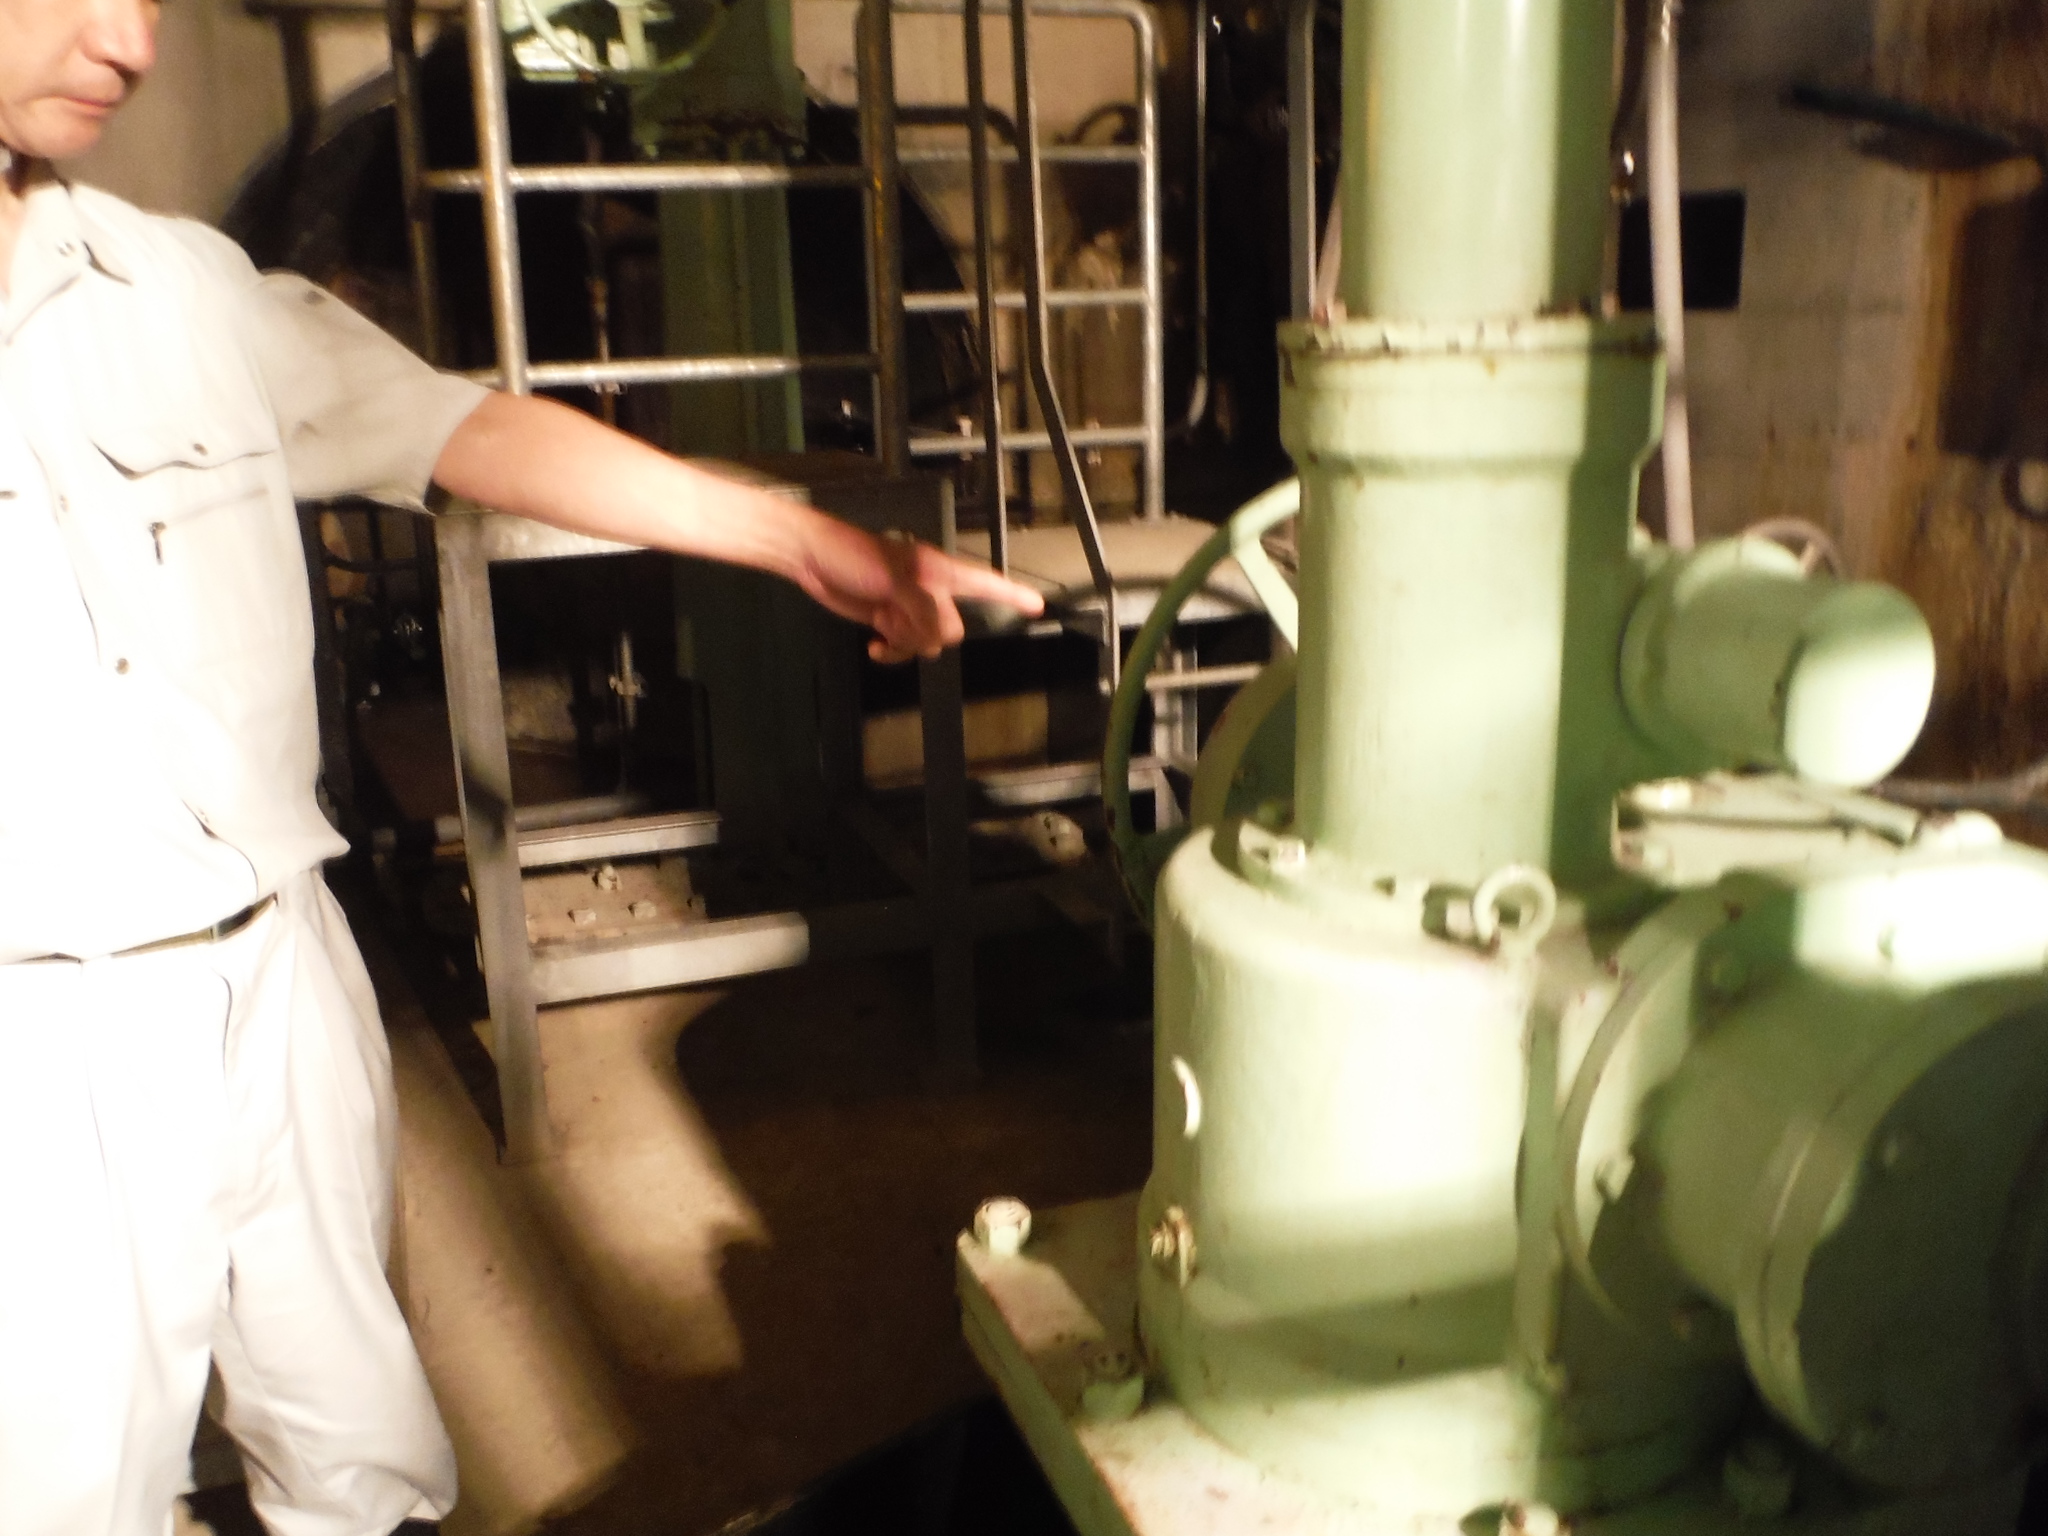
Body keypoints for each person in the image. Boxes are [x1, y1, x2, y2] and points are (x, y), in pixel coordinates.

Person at [0, 0, 1046, 1532]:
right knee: (65, 1488)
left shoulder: (178, 290)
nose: (133, 42)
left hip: (278, 968)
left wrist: (796, 539)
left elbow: (454, 428)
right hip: (41, 1028)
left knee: (357, 1450)